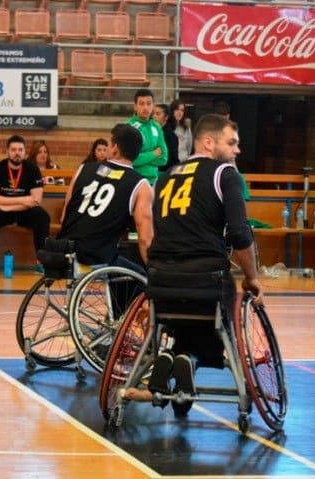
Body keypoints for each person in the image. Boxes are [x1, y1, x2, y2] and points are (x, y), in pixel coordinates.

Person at [143, 114, 261, 399]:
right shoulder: (225, 174)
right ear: (208, 142)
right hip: (206, 278)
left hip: (160, 279)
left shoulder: (165, 177)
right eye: (231, 143)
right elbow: (240, 233)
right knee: (217, 311)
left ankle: (175, 355)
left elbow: (152, 229)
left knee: (183, 312)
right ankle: (192, 358)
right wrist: (252, 277)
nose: (237, 150)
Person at [57, 123, 153, 270]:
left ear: (115, 149)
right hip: (97, 259)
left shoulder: (84, 169)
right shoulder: (141, 185)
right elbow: (145, 239)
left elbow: (64, 217)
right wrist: (155, 273)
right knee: (140, 276)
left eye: (108, 144)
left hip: (61, 251)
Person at [0, 135, 51, 264]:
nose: (17, 153)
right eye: (13, 150)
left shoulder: (33, 169)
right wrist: (24, 200)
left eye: (20, 150)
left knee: (42, 216)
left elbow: (36, 200)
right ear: (7, 151)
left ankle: (41, 261)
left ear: (24, 152)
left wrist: (8, 206)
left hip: (23, 212)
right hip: (1, 213)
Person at [126, 88, 167, 185]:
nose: (145, 107)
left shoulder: (157, 127)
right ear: (135, 106)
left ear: (153, 106)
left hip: (153, 181)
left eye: (149, 104)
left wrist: (143, 156)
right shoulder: (129, 127)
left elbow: (163, 158)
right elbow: (131, 160)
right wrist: (154, 153)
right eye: (141, 104)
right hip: (134, 181)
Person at [154, 104, 179, 173]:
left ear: (166, 117)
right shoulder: (155, 131)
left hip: (166, 171)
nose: (154, 116)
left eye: (158, 114)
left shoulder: (169, 134)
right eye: (153, 114)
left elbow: (170, 158)